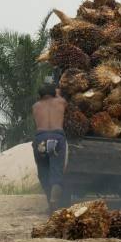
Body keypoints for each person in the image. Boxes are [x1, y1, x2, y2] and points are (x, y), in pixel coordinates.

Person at [31, 83, 68, 213]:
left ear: (40, 95)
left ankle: (49, 201)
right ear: (54, 93)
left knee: (43, 172)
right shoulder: (61, 102)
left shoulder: (35, 106)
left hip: (40, 139)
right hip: (57, 138)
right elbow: (59, 97)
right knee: (56, 172)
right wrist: (57, 92)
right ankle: (54, 202)